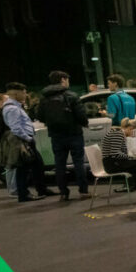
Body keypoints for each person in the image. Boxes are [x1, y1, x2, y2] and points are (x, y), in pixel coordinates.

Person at [0, 82, 54, 202]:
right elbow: (16, 128)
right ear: (16, 93)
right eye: (23, 92)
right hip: (22, 141)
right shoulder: (12, 108)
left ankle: (41, 189)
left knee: (37, 165)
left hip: (25, 140)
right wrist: (28, 138)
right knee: (22, 168)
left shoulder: (15, 106)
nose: (25, 94)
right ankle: (24, 194)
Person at [38, 70, 89, 201]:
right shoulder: (71, 96)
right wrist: (84, 123)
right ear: (63, 80)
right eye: (67, 80)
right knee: (78, 162)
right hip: (74, 133)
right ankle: (83, 191)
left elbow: (39, 116)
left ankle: (63, 193)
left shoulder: (44, 98)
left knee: (59, 164)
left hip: (56, 135)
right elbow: (81, 115)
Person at [101, 118, 136, 190]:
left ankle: (134, 185)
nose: (135, 135)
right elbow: (115, 153)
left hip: (114, 161)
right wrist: (131, 157)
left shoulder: (118, 133)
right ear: (131, 128)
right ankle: (134, 185)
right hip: (112, 164)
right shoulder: (118, 134)